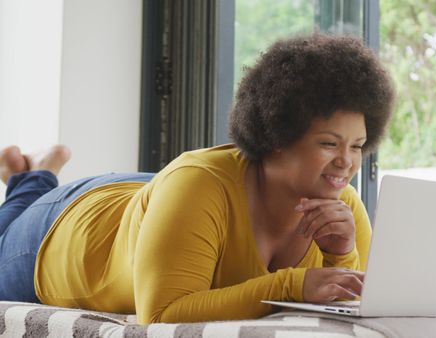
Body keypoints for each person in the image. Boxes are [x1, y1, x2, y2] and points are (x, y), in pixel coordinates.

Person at [0, 34, 395, 324]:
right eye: (329, 143)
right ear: (278, 136)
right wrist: (293, 285)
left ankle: (34, 171)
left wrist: (341, 253)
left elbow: (356, 304)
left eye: (358, 146)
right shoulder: (197, 184)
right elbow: (162, 313)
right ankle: (33, 178)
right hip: (67, 228)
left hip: (158, 202)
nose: (346, 162)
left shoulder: (345, 206)